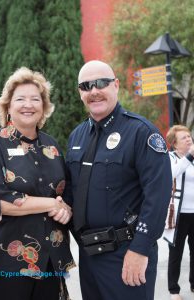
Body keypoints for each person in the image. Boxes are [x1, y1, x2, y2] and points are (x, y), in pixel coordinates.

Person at [65, 60, 172, 300]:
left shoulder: (141, 132)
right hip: (90, 255)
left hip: (127, 253)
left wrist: (140, 248)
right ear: (80, 92)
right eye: (86, 86)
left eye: (101, 83)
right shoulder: (76, 136)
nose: (94, 91)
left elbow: (158, 195)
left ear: (116, 85)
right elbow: (70, 192)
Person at [0, 67, 75, 300]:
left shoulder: (52, 146)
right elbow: (0, 202)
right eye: (20, 99)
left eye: (35, 99)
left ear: (44, 107)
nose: (28, 104)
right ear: (8, 106)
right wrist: (52, 204)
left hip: (51, 257)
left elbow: (65, 194)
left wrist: (66, 210)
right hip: (7, 259)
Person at [163, 125, 194, 300]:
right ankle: (174, 290)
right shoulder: (170, 158)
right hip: (178, 214)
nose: (189, 139)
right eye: (184, 138)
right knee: (176, 253)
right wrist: (190, 156)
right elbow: (172, 174)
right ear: (174, 144)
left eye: (189, 136)